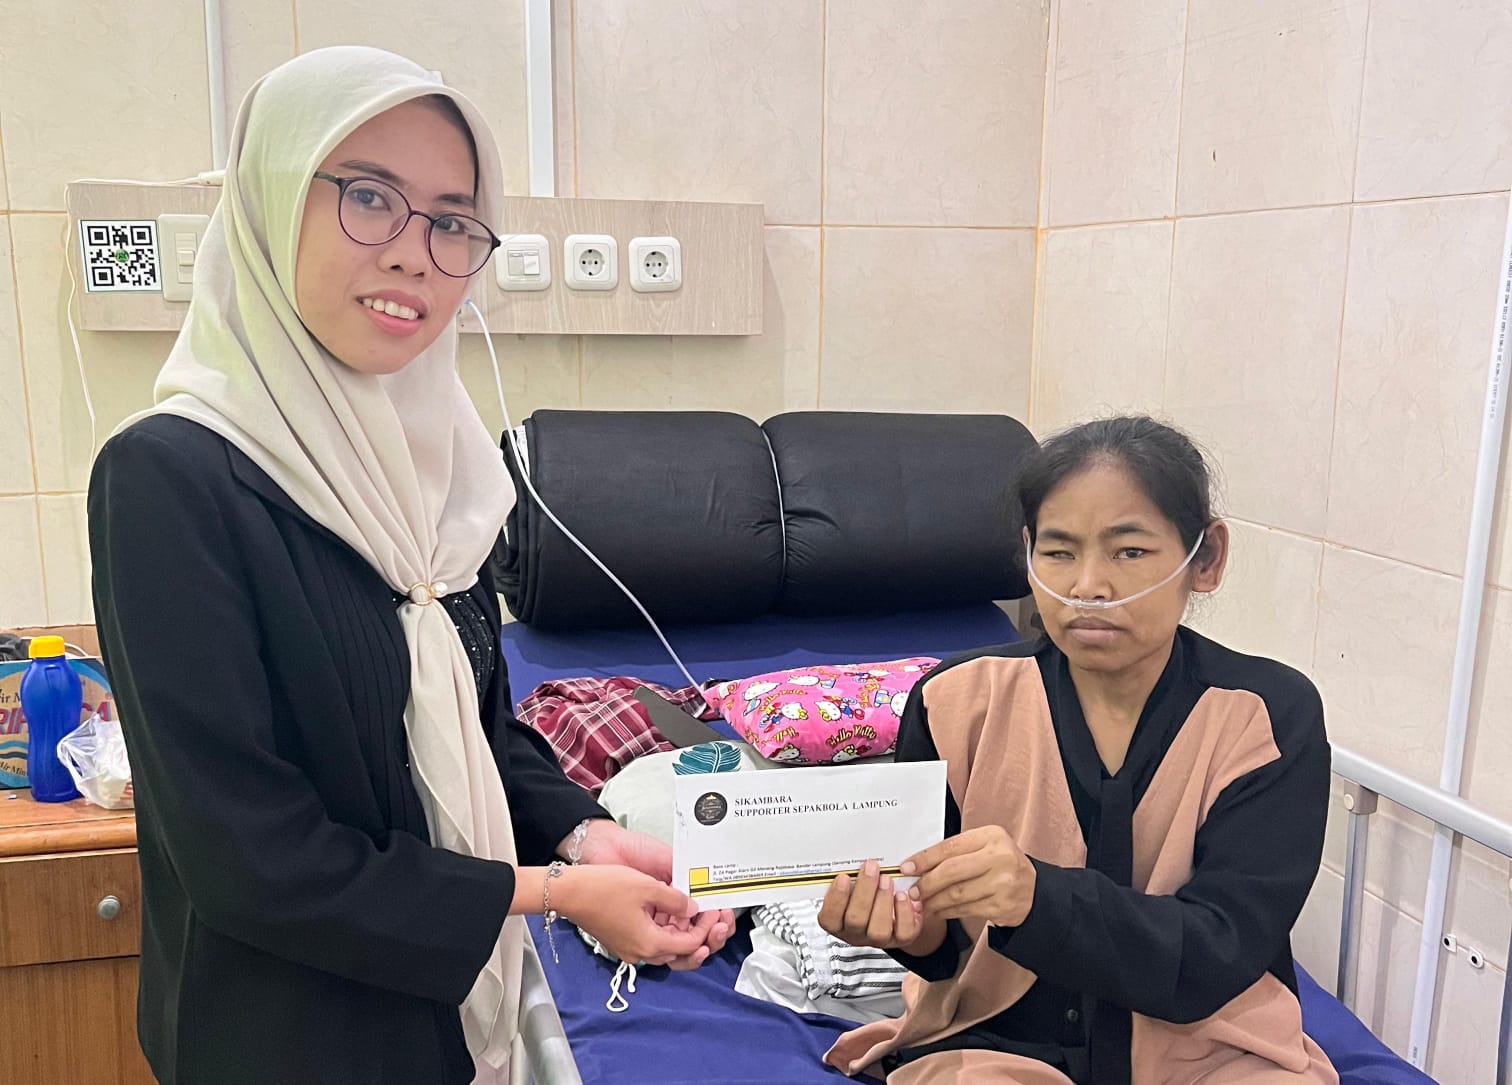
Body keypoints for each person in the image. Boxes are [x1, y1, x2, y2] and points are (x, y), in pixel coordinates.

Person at [87, 47, 730, 1085]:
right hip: (287, 1040)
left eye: (453, 221)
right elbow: (251, 858)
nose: (415, 254)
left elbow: (480, 726)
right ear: (271, 201)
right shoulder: (171, 479)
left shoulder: (445, 471)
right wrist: (550, 893)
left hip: (450, 1017)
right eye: (369, 197)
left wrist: (582, 836)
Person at [818, 416, 1338, 1084]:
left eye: (1129, 552)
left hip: (1211, 1049)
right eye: (1060, 552)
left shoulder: (1269, 717)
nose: (1089, 585)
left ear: (1205, 559)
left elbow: (1221, 948)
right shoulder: (953, 703)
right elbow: (940, 946)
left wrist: (1036, 897)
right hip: (997, 1044)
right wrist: (904, 928)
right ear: (1028, 554)